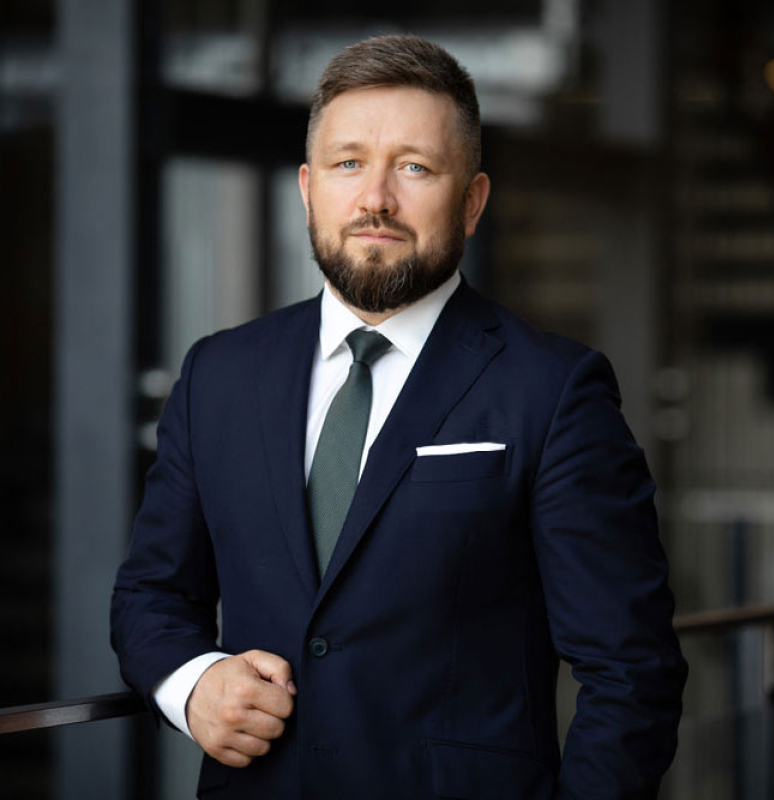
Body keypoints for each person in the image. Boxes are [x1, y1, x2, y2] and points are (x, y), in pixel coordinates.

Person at [111, 34, 687, 800]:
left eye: (414, 167)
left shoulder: (552, 390)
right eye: (350, 164)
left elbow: (631, 670)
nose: (375, 198)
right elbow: (151, 594)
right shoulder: (219, 374)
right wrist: (193, 683)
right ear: (308, 188)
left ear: (473, 201)